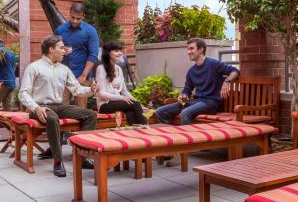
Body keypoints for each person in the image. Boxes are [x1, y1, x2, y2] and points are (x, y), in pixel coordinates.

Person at [18, 35, 99, 177]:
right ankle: (57, 160)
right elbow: (23, 93)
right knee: (52, 118)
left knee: (90, 115)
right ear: (51, 49)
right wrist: (36, 108)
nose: (64, 51)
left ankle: (82, 157)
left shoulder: (64, 69)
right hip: (39, 108)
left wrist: (91, 90)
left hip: (59, 106)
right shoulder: (34, 67)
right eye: (61, 48)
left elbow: (76, 89)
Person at [156, 38, 239, 166]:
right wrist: (183, 97)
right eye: (188, 49)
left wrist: (226, 81)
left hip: (211, 103)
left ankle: (184, 151)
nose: (188, 52)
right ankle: (171, 148)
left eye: (191, 48)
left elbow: (235, 71)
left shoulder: (214, 64)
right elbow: (187, 91)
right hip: (197, 101)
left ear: (201, 50)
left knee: (186, 113)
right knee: (161, 111)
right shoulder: (191, 71)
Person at [54, 2, 99, 107]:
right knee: (61, 109)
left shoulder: (90, 31)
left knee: (82, 111)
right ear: (69, 13)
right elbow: (53, 50)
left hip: (81, 76)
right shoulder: (60, 30)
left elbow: (93, 55)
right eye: (72, 17)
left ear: (83, 16)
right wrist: (61, 49)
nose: (74, 21)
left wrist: (83, 76)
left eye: (78, 18)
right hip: (63, 76)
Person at [95, 41, 148, 126]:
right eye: (116, 51)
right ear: (108, 53)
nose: (120, 53)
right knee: (134, 105)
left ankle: (133, 133)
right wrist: (122, 98)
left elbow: (124, 91)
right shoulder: (101, 68)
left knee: (131, 111)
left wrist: (139, 103)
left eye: (120, 51)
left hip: (117, 102)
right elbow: (101, 94)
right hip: (104, 105)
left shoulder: (119, 68)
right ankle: (146, 128)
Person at [0, 38, 17, 110]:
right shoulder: (11, 53)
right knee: (7, 107)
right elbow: (13, 67)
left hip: (2, 82)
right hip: (12, 82)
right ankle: (6, 121)